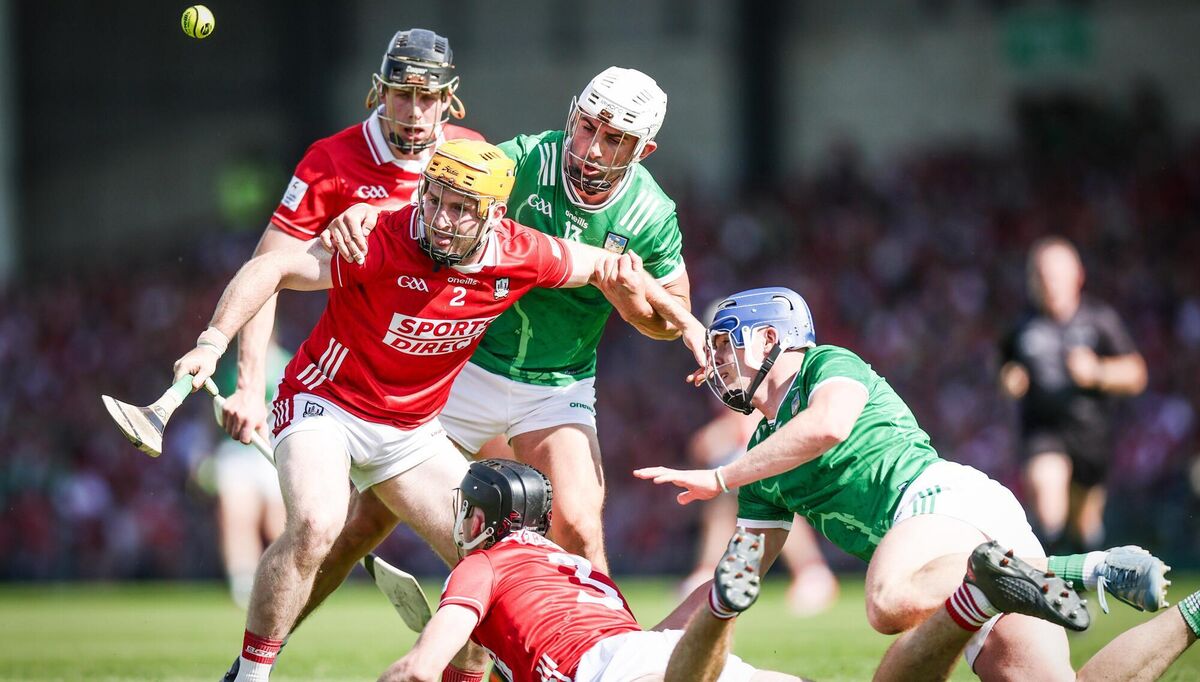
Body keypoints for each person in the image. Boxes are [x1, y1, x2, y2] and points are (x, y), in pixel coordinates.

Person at [169, 139, 705, 682]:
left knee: (495, 562)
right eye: (435, 200)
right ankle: (248, 676)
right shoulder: (380, 239)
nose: (442, 220)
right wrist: (212, 342)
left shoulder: (521, 252)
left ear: (495, 215)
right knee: (316, 523)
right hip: (324, 405)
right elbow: (271, 268)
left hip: (410, 433)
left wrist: (685, 322)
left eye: (461, 209)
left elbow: (610, 266)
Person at [636, 287, 1173, 680]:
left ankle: (1075, 569)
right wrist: (643, 644)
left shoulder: (826, 365)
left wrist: (720, 476)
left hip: (940, 501)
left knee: (888, 600)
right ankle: (1183, 612)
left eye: (724, 344)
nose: (715, 363)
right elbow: (736, 577)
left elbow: (828, 425)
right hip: (954, 561)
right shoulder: (762, 463)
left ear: (770, 338)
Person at [319, 66, 687, 576]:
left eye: (614, 140)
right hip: (466, 368)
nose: (592, 148)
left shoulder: (652, 214)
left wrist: (631, 308)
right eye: (587, 127)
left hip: (557, 384)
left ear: (643, 150)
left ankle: (596, 633)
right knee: (363, 522)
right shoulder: (524, 159)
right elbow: (436, 201)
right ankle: (270, 631)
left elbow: (674, 316)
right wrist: (369, 212)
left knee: (579, 527)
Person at [219, 27, 483, 448]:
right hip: (358, 384)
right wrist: (250, 387)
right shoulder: (331, 161)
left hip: (451, 378)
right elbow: (265, 270)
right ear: (380, 92)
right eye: (403, 94)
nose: (415, 112)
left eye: (428, 98)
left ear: (449, 98)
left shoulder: (472, 154)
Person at [378, 459, 808, 682]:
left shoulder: (481, 565)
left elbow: (420, 669)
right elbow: (649, 638)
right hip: (655, 650)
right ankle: (716, 605)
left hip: (605, 669)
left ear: (482, 520)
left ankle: (717, 609)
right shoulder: (578, 567)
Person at [999, 236, 1148, 552]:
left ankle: (1083, 566)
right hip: (1043, 430)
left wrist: (1098, 372)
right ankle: (1046, 567)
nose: (1049, 284)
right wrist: (1010, 380)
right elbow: (1004, 369)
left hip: (1091, 434)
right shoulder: (1021, 326)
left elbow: (1136, 374)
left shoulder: (1100, 320)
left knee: (1084, 525)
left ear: (1078, 276)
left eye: (1056, 276)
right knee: (1048, 502)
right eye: (1042, 276)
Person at [680, 405, 838, 615]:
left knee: (774, 506)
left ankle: (812, 572)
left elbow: (749, 408)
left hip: (758, 442)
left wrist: (720, 434)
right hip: (752, 442)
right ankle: (708, 570)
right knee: (722, 511)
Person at [202, 338, 291, 609]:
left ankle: (284, 582)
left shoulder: (287, 363)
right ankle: (243, 584)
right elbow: (214, 413)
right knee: (237, 518)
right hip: (236, 452)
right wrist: (205, 452)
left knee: (278, 524)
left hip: (272, 448)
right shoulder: (231, 368)